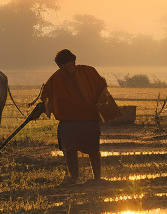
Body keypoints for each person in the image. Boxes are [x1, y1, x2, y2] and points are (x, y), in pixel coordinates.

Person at [39, 49, 112, 185]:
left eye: (66, 64)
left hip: (88, 119)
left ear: (73, 61)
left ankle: (97, 178)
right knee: (69, 150)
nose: (64, 68)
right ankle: (73, 178)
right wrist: (43, 106)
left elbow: (101, 87)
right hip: (68, 121)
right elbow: (46, 94)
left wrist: (104, 105)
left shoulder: (88, 72)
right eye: (61, 66)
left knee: (93, 150)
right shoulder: (57, 77)